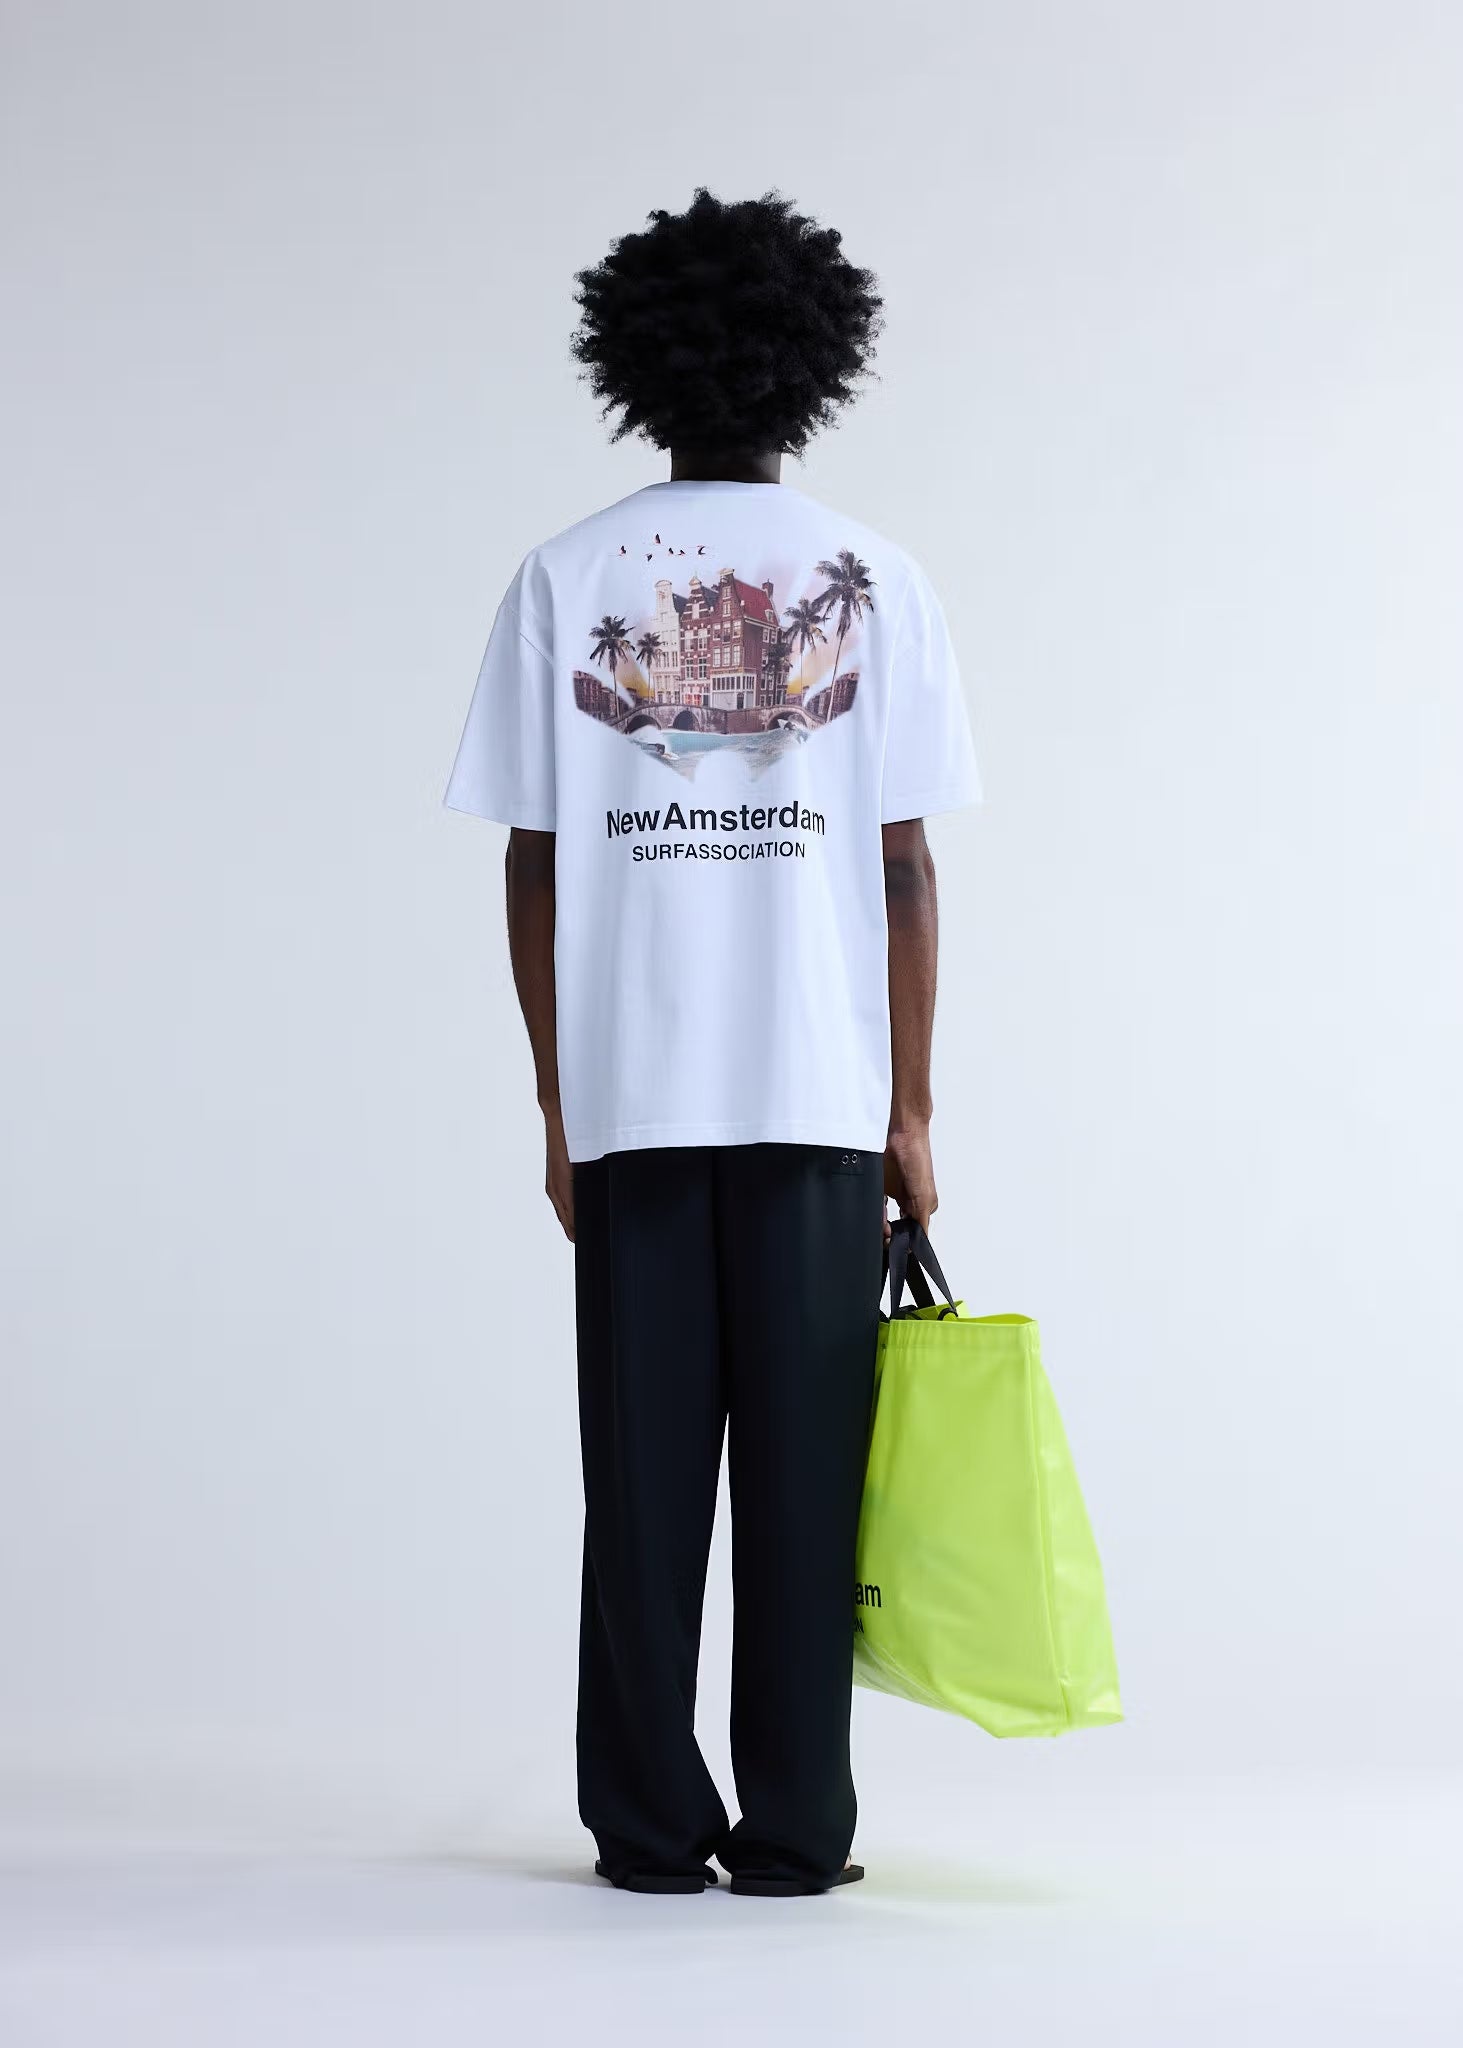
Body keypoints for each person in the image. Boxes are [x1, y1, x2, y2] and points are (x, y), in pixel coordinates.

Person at [445, 190, 981, 1897]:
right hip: (823, 1098)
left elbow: (535, 862)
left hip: (635, 1100)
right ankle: (801, 1830)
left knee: (643, 1485)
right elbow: (904, 867)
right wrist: (911, 1111)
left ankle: (648, 1828)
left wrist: (557, 1105)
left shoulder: (564, 574)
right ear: (814, 368)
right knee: (809, 1486)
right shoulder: (878, 578)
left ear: (639, 367)